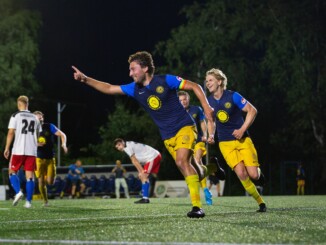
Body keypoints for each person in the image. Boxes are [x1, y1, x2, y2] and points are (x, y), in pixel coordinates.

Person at [72, 51, 224, 218]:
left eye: (133, 69)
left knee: (182, 162)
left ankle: (197, 207)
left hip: (185, 127)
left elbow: (195, 86)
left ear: (144, 68)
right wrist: (85, 79)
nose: (130, 73)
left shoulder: (165, 80)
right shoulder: (134, 89)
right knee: (196, 171)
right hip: (167, 136)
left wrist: (207, 106)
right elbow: (108, 88)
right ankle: (213, 168)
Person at [205, 68, 267, 212]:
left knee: (253, 175)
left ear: (219, 81)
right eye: (206, 81)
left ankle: (258, 173)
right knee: (241, 174)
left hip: (243, 140)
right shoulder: (208, 102)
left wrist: (242, 130)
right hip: (225, 144)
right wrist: (211, 135)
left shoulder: (233, 96)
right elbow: (210, 120)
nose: (207, 83)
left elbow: (252, 110)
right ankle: (261, 203)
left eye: (210, 80)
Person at [178, 91, 217, 205]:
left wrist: (205, 134)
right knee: (195, 165)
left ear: (188, 99)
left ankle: (205, 190)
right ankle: (205, 190)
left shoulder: (196, 109)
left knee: (197, 159)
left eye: (185, 99)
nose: (183, 102)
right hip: (186, 143)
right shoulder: (177, 113)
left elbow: (202, 122)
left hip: (198, 140)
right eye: (180, 100)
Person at [4, 95, 42, 208]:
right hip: (31, 150)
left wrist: (7, 148)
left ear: (18, 104)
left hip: (18, 149)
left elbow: (11, 133)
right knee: (30, 176)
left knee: (12, 171)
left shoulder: (15, 115)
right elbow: (38, 134)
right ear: (27, 104)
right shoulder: (35, 118)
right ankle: (28, 202)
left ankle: (18, 192)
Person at [33, 111, 68, 206]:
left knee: (50, 182)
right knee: (40, 181)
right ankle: (45, 201)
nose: (39, 120)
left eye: (40, 118)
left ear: (43, 118)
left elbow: (62, 134)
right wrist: (36, 144)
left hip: (50, 159)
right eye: (37, 118)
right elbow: (25, 143)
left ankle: (47, 176)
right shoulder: (31, 129)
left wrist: (63, 144)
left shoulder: (49, 126)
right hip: (38, 159)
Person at [114, 138, 161, 203]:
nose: (119, 148)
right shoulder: (128, 144)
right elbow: (135, 160)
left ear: (122, 142)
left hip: (153, 156)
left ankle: (145, 198)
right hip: (152, 157)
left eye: (119, 145)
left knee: (143, 176)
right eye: (117, 147)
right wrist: (141, 172)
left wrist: (141, 171)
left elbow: (134, 160)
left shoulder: (127, 147)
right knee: (143, 176)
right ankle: (145, 197)